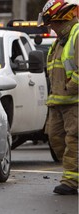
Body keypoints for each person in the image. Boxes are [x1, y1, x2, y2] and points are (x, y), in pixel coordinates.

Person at [38, 0, 78, 195]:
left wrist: (70, 88)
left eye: (51, 22)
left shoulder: (77, 35)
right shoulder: (60, 41)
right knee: (56, 140)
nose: (50, 27)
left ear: (61, 18)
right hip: (58, 103)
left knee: (74, 141)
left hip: (75, 102)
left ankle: (71, 182)